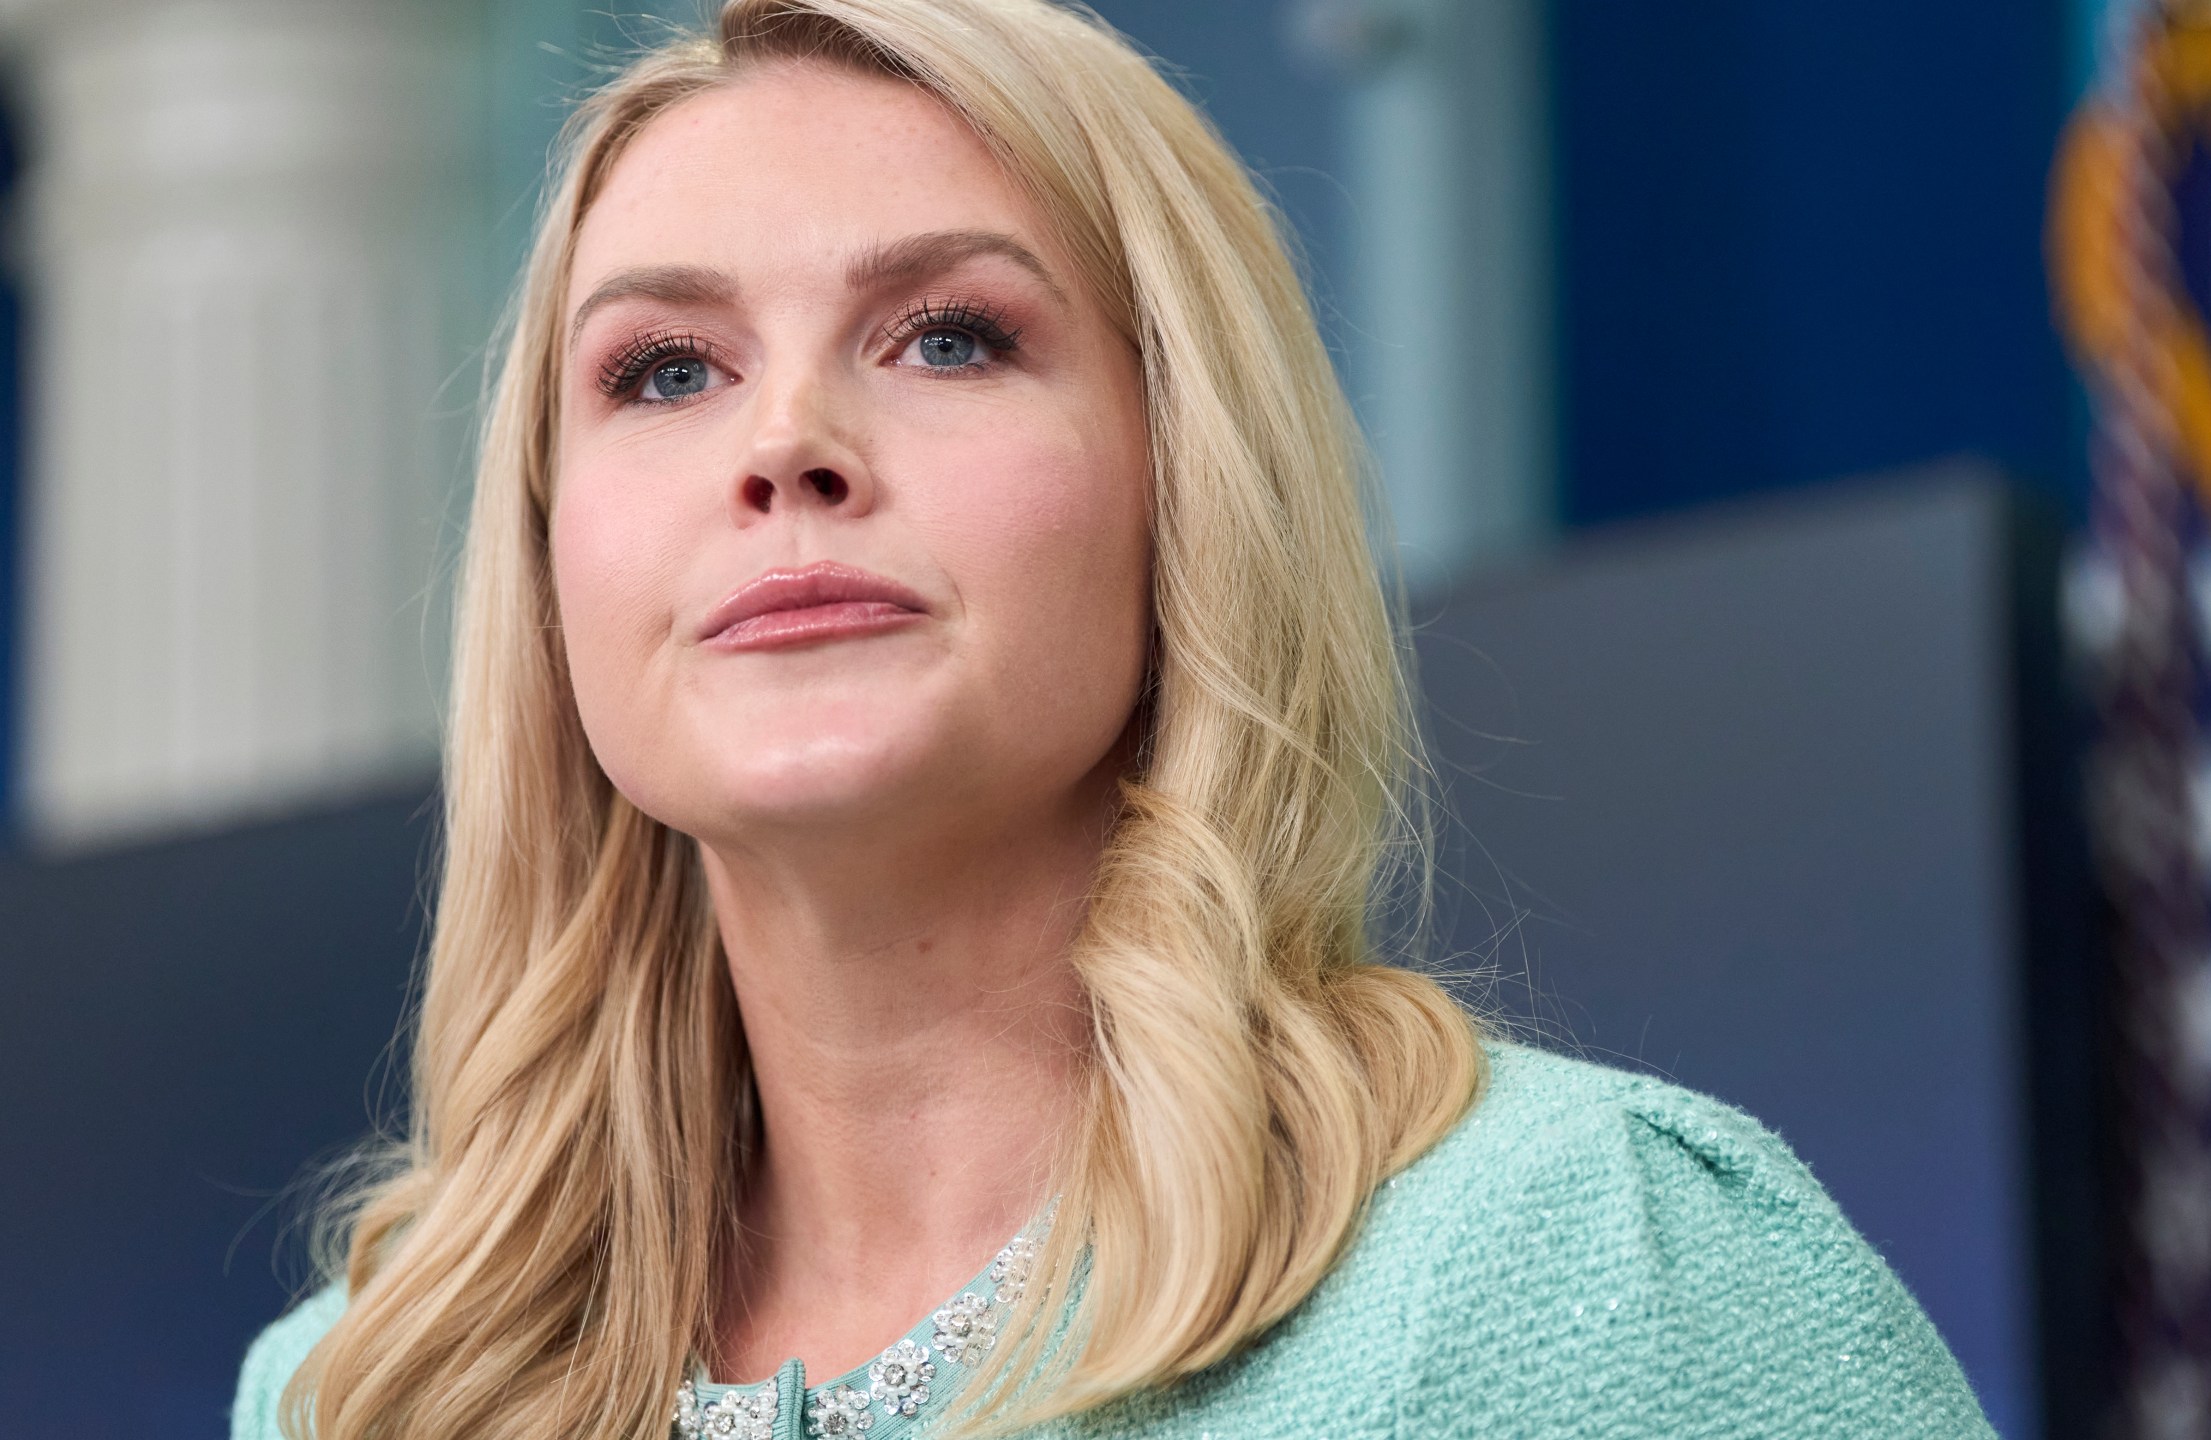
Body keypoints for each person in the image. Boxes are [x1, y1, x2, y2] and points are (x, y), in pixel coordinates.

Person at [230, 2, 1996, 1436]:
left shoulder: (1594, 1265)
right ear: (548, 562)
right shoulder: (357, 1393)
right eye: (664, 372)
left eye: (946, 337)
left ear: (1190, 482)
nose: (783, 443)